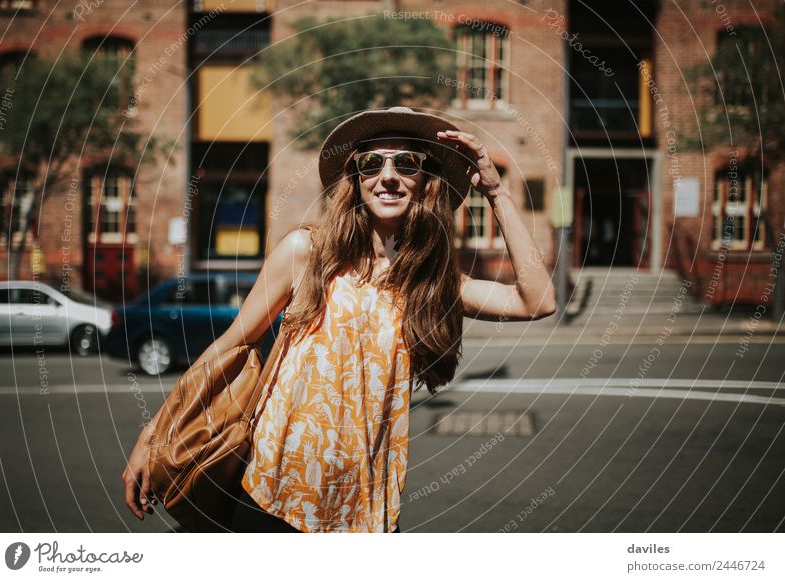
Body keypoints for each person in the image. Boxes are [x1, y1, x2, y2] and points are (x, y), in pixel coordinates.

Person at [121, 106, 557, 533]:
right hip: (272, 499)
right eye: (371, 164)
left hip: (365, 513)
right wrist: (153, 433)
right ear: (356, 179)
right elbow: (232, 343)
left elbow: (536, 301)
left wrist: (497, 193)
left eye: (406, 163)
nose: (388, 177)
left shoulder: (431, 283)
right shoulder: (305, 254)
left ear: (424, 181)